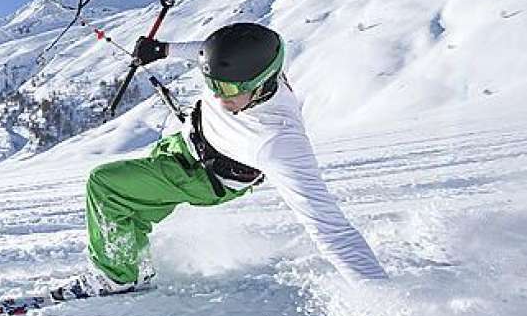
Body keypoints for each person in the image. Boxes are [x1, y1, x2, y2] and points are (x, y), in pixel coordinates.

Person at [53, 22, 387, 300]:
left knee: (105, 186)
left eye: (226, 88)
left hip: (202, 176)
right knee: (133, 207)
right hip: (183, 145)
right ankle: (134, 267)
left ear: (262, 83)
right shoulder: (249, 72)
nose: (216, 95)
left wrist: (386, 301)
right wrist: (164, 50)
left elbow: (333, 230)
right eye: (211, 83)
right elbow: (204, 52)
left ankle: (115, 279)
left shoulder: (279, 141)